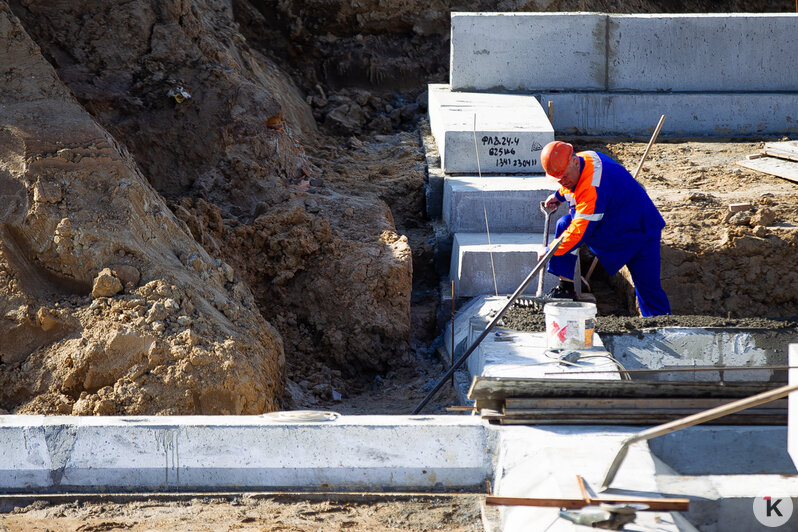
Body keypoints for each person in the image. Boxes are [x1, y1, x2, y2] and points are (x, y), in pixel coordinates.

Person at [541, 140, 670, 317]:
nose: (562, 182)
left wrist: (550, 250)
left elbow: (579, 231)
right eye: (558, 180)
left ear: (574, 162)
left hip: (640, 231)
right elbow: (573, 184)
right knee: (564, 224)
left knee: (649, 291)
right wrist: (558, 196)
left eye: (564, 177)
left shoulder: (593, 186)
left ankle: (660, 328)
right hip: (614, 223)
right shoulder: (583, 160)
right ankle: (566, 288)